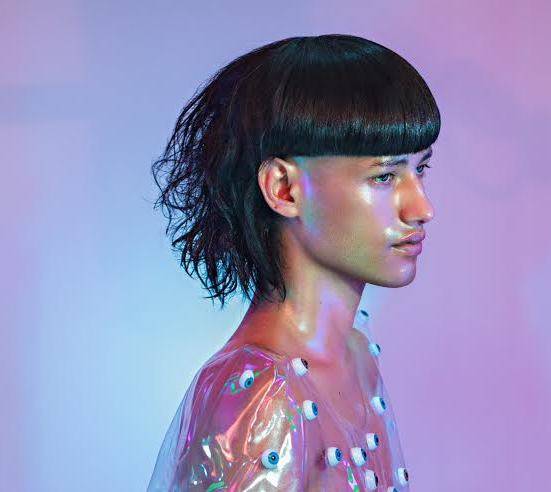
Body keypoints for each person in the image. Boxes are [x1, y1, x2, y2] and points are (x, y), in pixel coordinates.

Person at [147, 33, 440, 491]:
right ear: (284, 189)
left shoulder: (355, 354)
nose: (421, 208)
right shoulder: (261, 398)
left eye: (420, 169)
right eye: (384, 176)